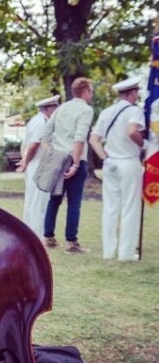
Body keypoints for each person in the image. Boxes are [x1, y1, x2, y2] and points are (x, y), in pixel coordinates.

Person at [88, 78, 145, 261]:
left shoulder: (107, 112)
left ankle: (109, 251)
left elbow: (94, 139)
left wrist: (105, 158)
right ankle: (125, 253)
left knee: (110, 208)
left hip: (111, 163)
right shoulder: (135, 111)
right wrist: (143, 144)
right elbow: (132, 131)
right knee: (129, 207)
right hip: (128, 162)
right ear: (132, 93)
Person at [39, 77, 95, 254]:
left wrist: (51, 154)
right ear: (85, 91)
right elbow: (80, 138)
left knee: (54, 199)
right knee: (74, 203)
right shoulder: (86, 110)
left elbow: (45, 134)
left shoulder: (61, 108)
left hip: (58, 157)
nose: (92, 94)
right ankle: (71, 242)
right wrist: (76, 164)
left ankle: (48, 237)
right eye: (91, 91)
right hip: (74, 158)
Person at [16, 95, 60, 234]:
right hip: (38, 163)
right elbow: (34, 145)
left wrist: (25, 160)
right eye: (55, 107)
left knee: (32, 200)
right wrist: (26, 162)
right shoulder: (42, 123)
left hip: (34, 163)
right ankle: (37, 233)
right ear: (49, 108)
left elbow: (25, 144)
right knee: (39, 202)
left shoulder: (35, 121)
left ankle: (29, 232)